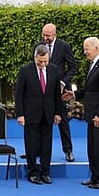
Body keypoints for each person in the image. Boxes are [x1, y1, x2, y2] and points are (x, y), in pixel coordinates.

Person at [62, 37, 99, 189]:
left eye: (87, 49)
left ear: (96, 48)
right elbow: (91, 90)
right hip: (92, 114)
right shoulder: (93, 65)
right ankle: (96, 177)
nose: (85, 52)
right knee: (92, 147)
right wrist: (74, 95)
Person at [15, 45, 62, 185]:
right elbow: (19, 94)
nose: (43, 64)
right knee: (31, 144)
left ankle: (45, 172)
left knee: (47, 144)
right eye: (40, 61)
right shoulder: (25, 71)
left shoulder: (54, 70)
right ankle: (32, 172)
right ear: (35, 57)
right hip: (31, 114)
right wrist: (20, 114)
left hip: (48, 113)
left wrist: (58, 113)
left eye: (45, 61)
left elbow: (56, 95)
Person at [39, 23, 78, 162]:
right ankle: (37, 150)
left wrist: (63, 82)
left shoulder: (64, 46)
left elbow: (73, 67)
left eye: (47, 35)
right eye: (43, 35)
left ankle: (68, 150)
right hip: (42, 90)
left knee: (63, 120)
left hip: (59, 90)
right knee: (40, 120)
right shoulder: (39, 46)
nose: (45, 38)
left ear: (54, 34)